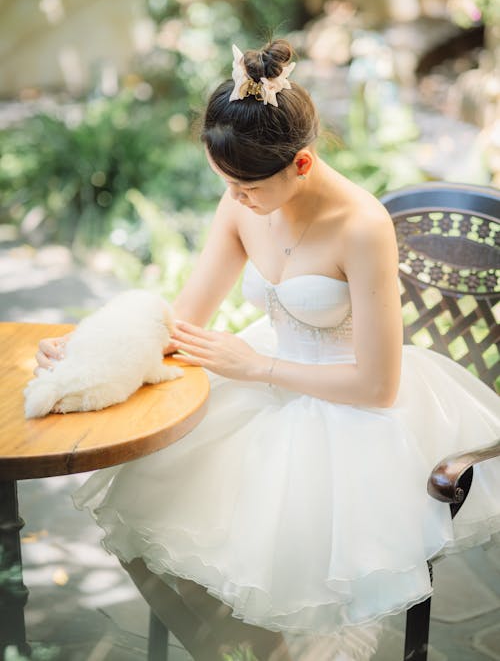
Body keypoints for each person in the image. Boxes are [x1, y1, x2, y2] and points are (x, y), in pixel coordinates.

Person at [35, 39, 500, 661]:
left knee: (291, 554)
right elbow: (184, 318)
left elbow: (378, 387)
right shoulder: (241, 203)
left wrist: (256, 367)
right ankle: (267, 652)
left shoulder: (361, 226)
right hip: (259, 380)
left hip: (354, 410)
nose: (234, 199)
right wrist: (94, 349)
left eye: (246, 188)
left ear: (302, 165)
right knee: (154, 508)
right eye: (223, 182)